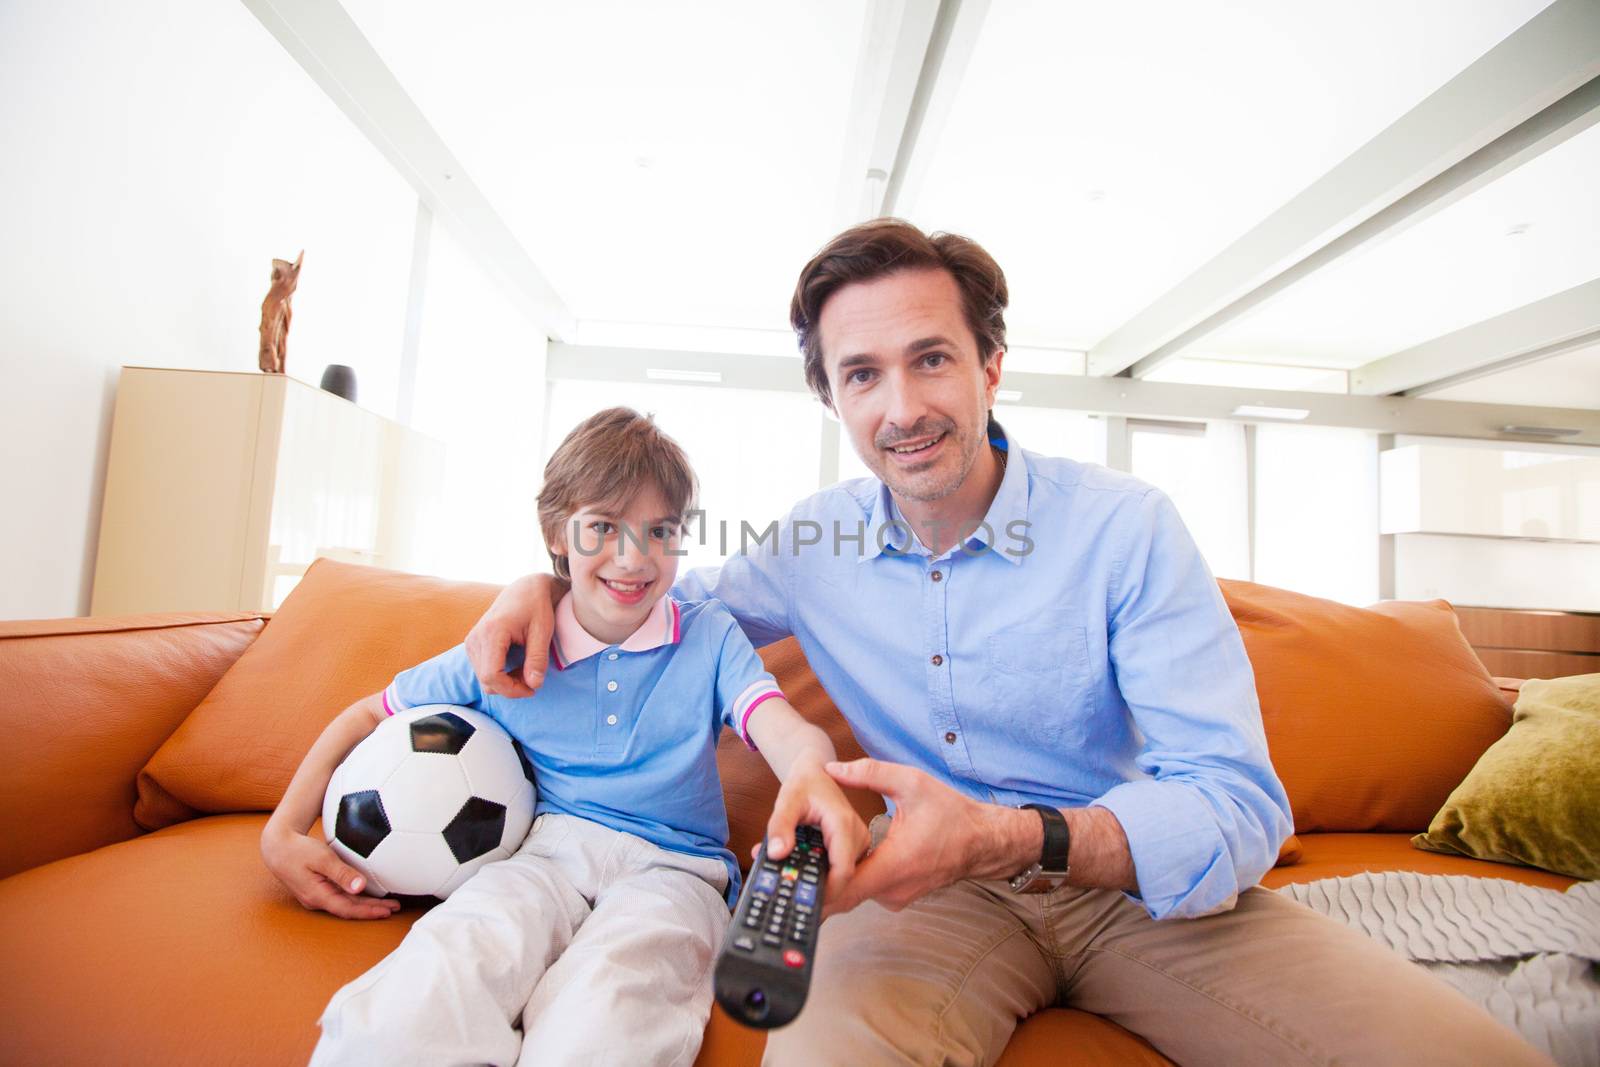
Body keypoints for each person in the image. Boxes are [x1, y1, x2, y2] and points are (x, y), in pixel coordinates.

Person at [465, 221, 1550, 1066]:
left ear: (991, 364)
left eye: (931, 358)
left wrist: (1007, 834)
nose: (903, 407)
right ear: (832, 396)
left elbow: (1236, 800)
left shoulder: (1123, 528)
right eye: (862, 373)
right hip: (921, 902)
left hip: (1139, 892)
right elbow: (655, 601)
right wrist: (541, 577)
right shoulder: (811, 541)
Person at [261, 407, 870, 1066]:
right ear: (557, 534)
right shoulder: (505, 645)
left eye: (659, 530)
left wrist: (810, 766)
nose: (634, 557)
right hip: (538, 859)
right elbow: (366, 716)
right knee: (426, 989)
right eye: (604, 527)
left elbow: (781, 727)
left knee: (606, 1018)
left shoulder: (708, 635)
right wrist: (282, 831)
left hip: (674, 874)